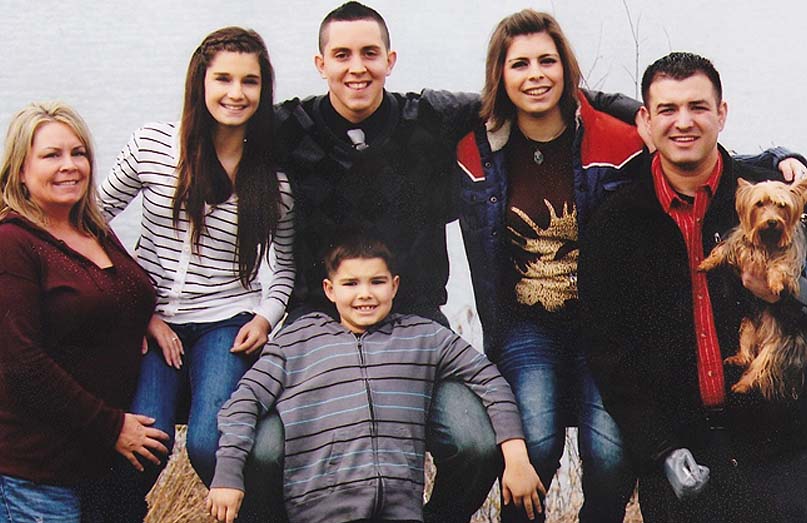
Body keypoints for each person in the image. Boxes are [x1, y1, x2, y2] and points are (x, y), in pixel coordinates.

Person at [251, 4, 646, 521]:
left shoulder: (429, 119)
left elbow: (536, 89)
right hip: (316, 329)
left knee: (479, 446)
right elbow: (215, 132)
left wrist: (652, 111)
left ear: (390, 59)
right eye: (342, 55)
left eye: (369, 53)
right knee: (263, 453)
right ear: (319, 63)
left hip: (415, 324)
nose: (357, 68)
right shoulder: (287, 127)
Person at [579, 51, 807, 522]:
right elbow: (608, 352)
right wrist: (659, 449)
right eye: (667, 109)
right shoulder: (615, 223)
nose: (683, 122)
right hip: (682, 456)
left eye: (698, 107)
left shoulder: (775, 200)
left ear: (721, 114)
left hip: (782, 449)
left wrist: (784, 296)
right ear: (645, 120)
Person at [208, 233, 545, 523]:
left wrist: (516, 459)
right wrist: (227, 477)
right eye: (351, 284)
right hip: (319, 513)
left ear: (395, 285)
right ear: (329, 289)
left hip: (399, 512)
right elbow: (243, 404)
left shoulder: (423, 336)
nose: (365, 294)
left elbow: (488, 378)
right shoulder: (298, 341)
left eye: (377, 282)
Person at [98, 27, 295, 519]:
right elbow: (91, 221)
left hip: (226, 320)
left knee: (211, 441)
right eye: (223, 79)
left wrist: (266, 318)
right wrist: (138, 307)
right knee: (148, 440)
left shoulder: (273, 180)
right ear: (199, 83)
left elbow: (287, 266)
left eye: (249, 82)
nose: (236, 93)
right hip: (153, 316)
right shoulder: (153, 147)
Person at [455, 10, 643, 523]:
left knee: (609, 456)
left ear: (565, 67)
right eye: (520, 64)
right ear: (500, 74)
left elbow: (690, 150)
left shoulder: (617, 142)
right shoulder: (475, 152)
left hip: (602, 326)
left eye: (546, 60)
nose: (535, 74)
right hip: (525, 326)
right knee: (533, 445)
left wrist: (779, 159)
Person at [0, 101, 167, 522]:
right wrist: (112, 427)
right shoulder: (12, 242)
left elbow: (119, 289)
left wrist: (146, 316)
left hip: (102, 472)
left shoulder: (91, 228)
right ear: (20, 169)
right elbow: (22, 363)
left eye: (79, 153)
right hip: (41, 474)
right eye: (51, 156)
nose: (69, 166)